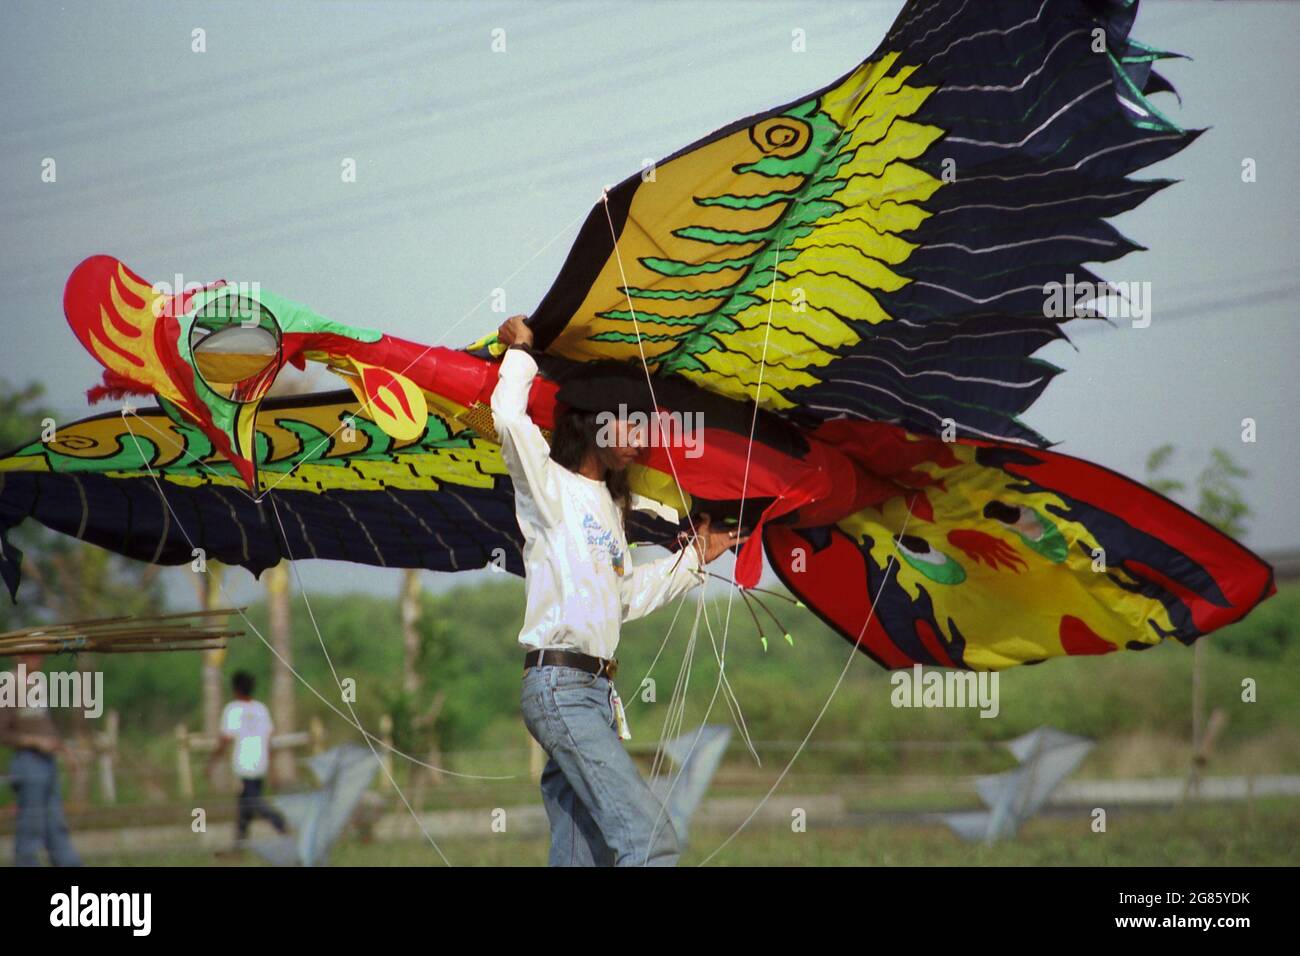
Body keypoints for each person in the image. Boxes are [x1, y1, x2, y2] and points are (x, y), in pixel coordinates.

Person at [491, 314, 746, 867]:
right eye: (630, 427)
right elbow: (509, 417)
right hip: (559, 686)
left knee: (585, 855)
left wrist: (694, 558)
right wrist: (524, 350)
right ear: (593, 426)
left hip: (593, 696)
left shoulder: (609, 507)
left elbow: (622, 598)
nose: (640, 442)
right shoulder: (548, 487)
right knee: (650, 839)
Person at [0, 653, 82, 867]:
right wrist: (34, 741)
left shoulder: (38, 684)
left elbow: (46, 726)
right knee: (31, 823)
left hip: (48, 761)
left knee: (55, 821)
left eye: (39, 655)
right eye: (32, 655)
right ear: (19, 657)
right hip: (28, 762)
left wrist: (66, 750)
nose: (38, 660)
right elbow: (3, 733)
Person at [208, 671, 287, 847]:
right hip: (261, 762)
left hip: (244, 764)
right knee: (245, 805)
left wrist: (212, 762)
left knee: (253, 801)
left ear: (235, 689)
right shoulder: (261, 709)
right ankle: (238, 845)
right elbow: (269, 740)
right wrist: (272, 767)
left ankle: (279, 822)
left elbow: (225, 739)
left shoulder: (232, 710)